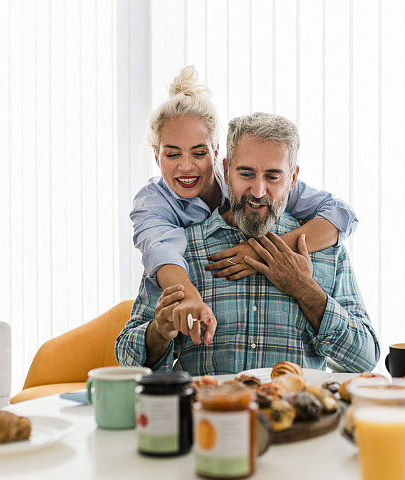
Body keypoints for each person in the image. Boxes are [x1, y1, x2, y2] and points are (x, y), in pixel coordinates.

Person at [116, 112, 379, 374]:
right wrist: (159, 333)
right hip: (210, 414)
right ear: (227, 171)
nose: (258, 191)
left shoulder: (326, 250)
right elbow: (126, 358)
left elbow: (366, 359)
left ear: (293, 178)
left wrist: (306, 290)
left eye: (273, 177)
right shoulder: (182, 250)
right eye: (246, 174)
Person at [131, 66, 357, 348]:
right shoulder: (155, 205)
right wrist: (188, 298)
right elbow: (160, 250)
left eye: (198, 153)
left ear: (216, 154)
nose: (186, 166)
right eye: (172, 153)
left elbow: (339, 213)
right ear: (156, 156)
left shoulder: (261, 183)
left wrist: (265, 253)